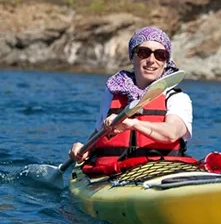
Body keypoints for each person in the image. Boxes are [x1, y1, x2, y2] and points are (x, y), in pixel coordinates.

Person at [69, 26, 193, 175]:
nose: (151, 60)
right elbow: (99, 133)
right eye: (143, 53)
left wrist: (133, 124)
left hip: (161, 172)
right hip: (113, 175)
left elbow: (172, 133)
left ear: (166, 62)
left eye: (160, 55)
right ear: (132, 57)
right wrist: (84, 150)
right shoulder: (112, 93)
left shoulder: (177, 98)